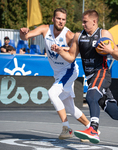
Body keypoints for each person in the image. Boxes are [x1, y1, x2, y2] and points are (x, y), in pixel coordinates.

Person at [53, 9, 118, 144]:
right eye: (82, 22)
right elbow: (70, 57)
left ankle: (93, 129)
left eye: (85, 22)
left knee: (91, 95)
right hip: (92, 78)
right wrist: (59, 51)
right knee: (115, 113)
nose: (83, 24)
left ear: (94, 21)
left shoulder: (103, 34)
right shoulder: (78, 36)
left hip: (102, 73)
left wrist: (110, 51)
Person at [19, 8, 90, 140]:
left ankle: (66, 128)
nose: (61, 21)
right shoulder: (45, 29)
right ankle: (92, 128)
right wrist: (22, 33)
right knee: (69, 107)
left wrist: (63, 49)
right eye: (58, 18)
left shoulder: (68, 35)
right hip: (59, 73)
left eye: (63, 19)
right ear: (53, 19)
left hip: (69, 71)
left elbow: (75, 53)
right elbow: (25, 37)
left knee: (52, 93)